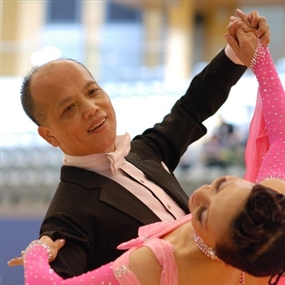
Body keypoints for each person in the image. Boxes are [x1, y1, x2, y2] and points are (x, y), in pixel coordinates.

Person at [19, 18, 285, 285]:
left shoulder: (143, 151)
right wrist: (39, 251)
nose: (91, 108)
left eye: (92, 91)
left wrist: (237, 52)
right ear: (49, 134)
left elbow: (191, 109)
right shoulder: (67, 215)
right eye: (69, 108)